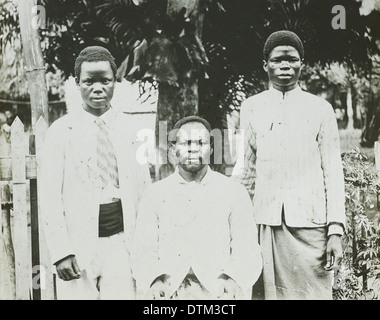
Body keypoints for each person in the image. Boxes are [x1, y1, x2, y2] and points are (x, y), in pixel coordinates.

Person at [232, 30, 346, 300]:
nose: (285, 65)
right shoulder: (251, 108)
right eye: (277, 60)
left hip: (311, 230)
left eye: (292, 59)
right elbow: (245, 170)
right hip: (267, 225)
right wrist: (231, 218)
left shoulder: (321, 109)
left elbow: (333, 173)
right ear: (265, 65)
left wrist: (335, 232)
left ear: (301, 63)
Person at [39, 46, 151, 300]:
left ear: (115, 82)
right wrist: (61, 252)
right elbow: (49, 198)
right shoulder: (61, 132)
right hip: (77, 245)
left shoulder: (132, 129)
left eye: (105, 81)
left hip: (123, 243)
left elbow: (144, 190)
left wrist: (145, 246)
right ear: (77, 83)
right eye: (89, 81)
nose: (98, 88)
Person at [131, 116, 262, 300]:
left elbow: (247, 247)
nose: (193, 149)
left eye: (201, 143)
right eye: (185, 143)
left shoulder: (233, 191)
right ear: (173, 148)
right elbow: (143, 248)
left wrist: (233, 279)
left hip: (218, 289)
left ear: (211, 149)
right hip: (169, 289)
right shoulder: (155, 194)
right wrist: (155, 280)